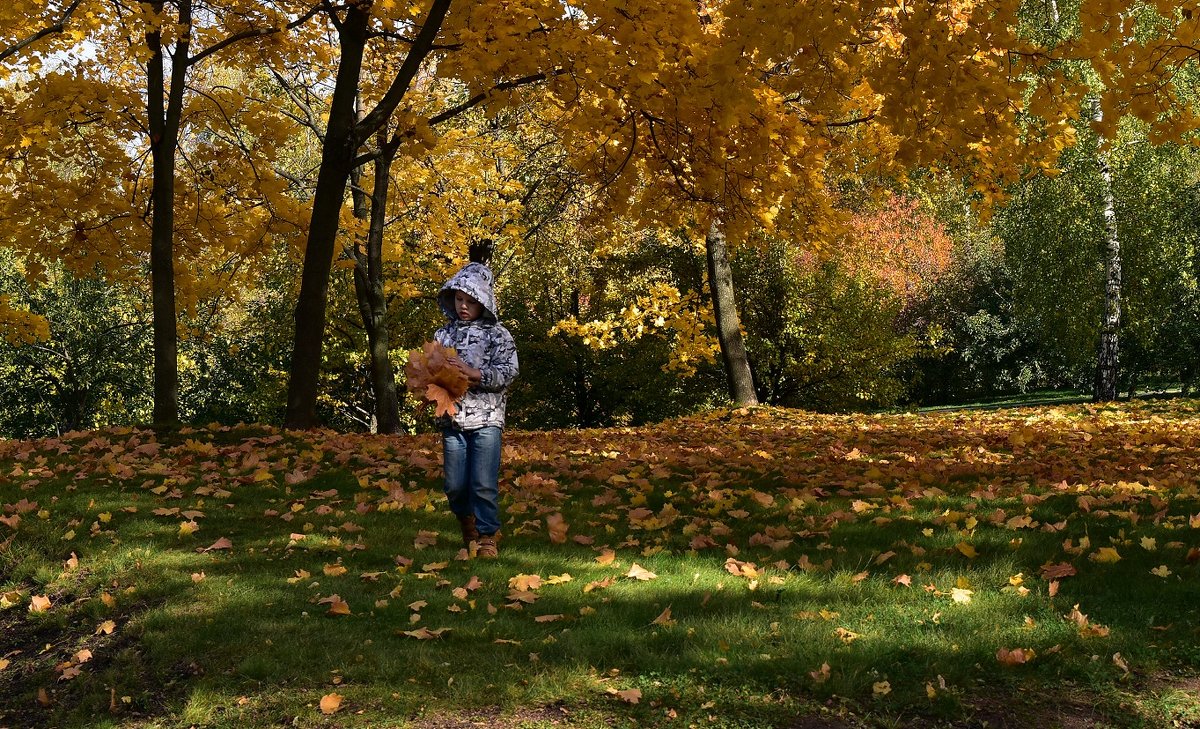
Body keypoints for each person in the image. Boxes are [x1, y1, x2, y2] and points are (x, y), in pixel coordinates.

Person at [433, 260, 518, 558]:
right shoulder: (443, 336)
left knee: (483, 482)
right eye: (458, 299)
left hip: (487, 419)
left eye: (471, 301)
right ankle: (466, 521)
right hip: (453, 420)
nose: (463, 306)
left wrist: (474, 373)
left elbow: (509, 371)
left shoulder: (499, 335)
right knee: (455, 484)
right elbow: (433, 373)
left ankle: (486, 537)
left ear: (484, 302)